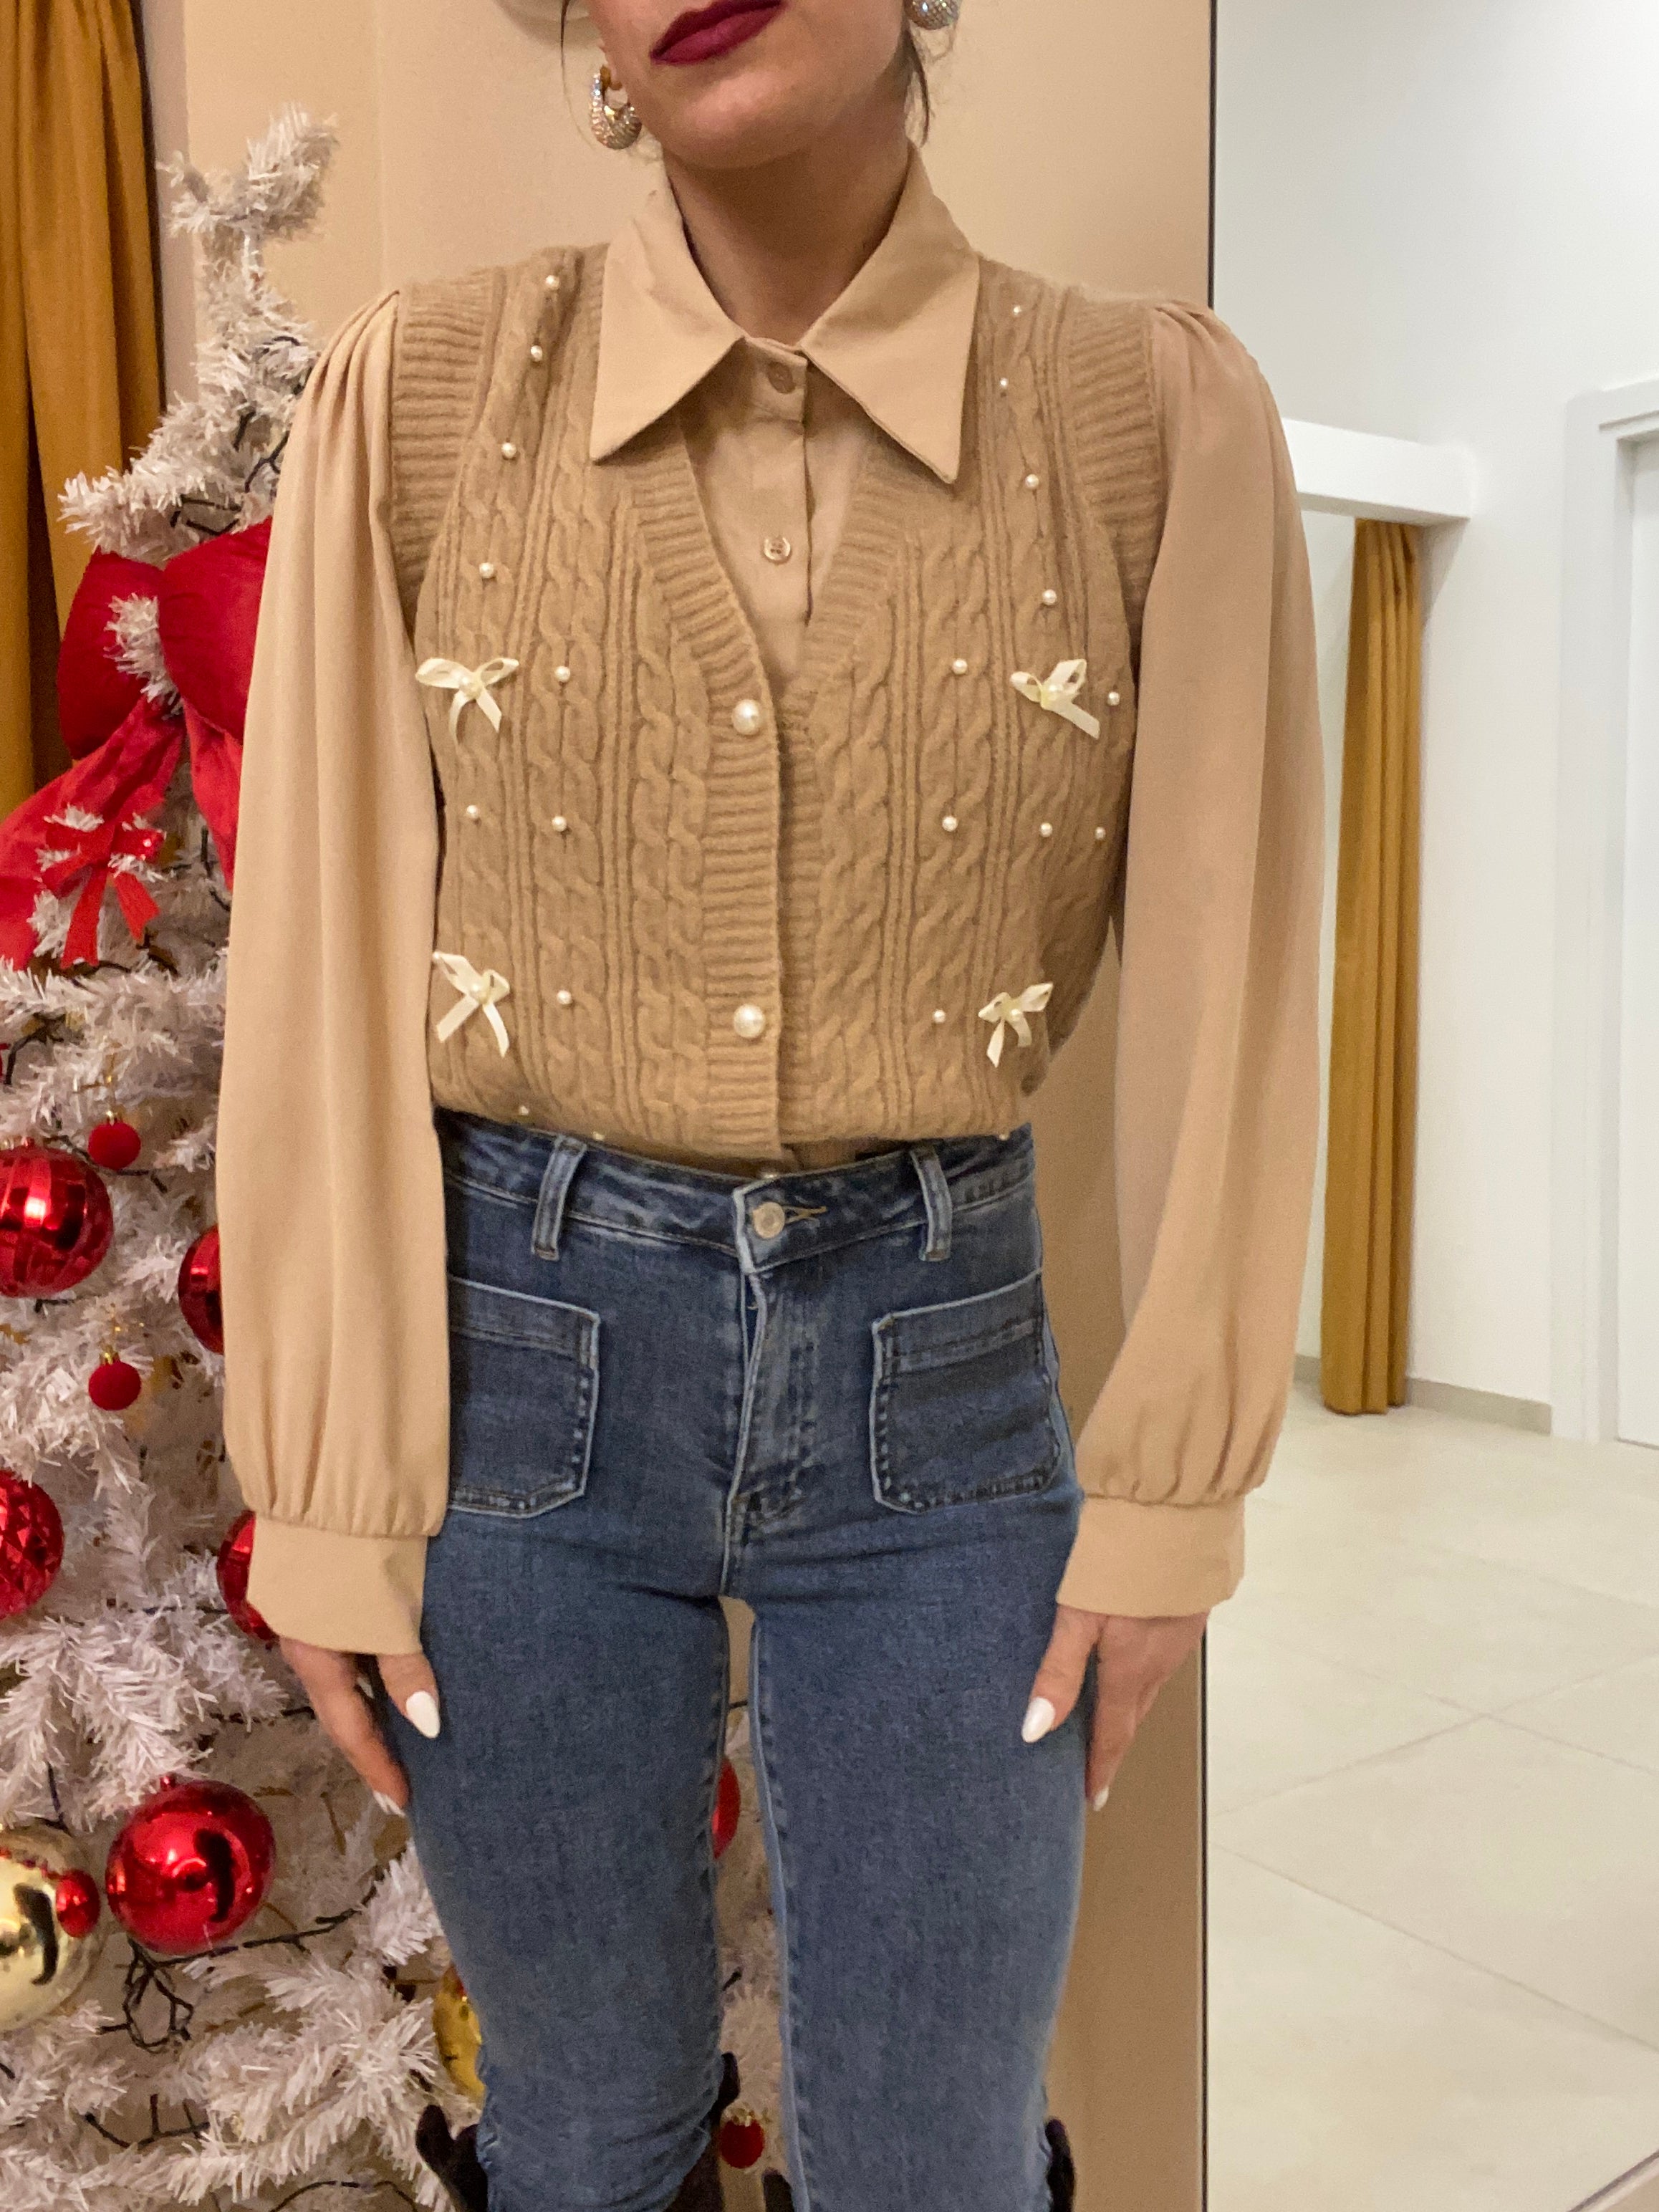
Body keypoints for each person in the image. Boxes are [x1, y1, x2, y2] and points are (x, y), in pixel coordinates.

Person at [215, 3, 1324, 2208]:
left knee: (935, 2159)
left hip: (941, 1391)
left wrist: (1172, 1490)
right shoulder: (421, 393)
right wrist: (325, 1487)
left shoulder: (1147, 414)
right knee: (586, 2140)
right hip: (516, 1380)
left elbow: (1235, 964)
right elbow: (318, 948)